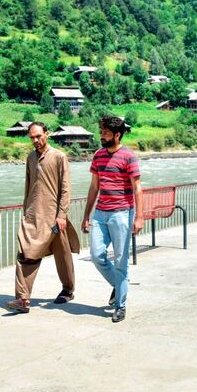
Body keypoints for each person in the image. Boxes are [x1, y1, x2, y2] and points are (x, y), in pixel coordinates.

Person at [5, 122, 80, 314]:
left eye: (38, 136)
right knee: (26, 253)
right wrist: (26, 212)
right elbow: (28, 186)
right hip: (34, 217)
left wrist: (62, 214)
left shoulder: (59, 157)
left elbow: (65, 188)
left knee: (62, 254)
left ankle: (68, 289)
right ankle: (23, 299)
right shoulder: (30, 158)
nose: (35, 140)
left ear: (47, 134)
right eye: (31, 137)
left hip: (55, 218)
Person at [81, 116, 143, 323]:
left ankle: (120, 305)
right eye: (101, 132)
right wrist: (86, 215)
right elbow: (93, 187)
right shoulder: (98, 156)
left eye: (106, 133)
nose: (102, 136)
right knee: (97, 255)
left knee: (121, 261)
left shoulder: (128, 156)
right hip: (100, 213)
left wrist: (139, 217)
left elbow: (137, 189)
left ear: (117, 135)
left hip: (122, 214)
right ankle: (118, 285)